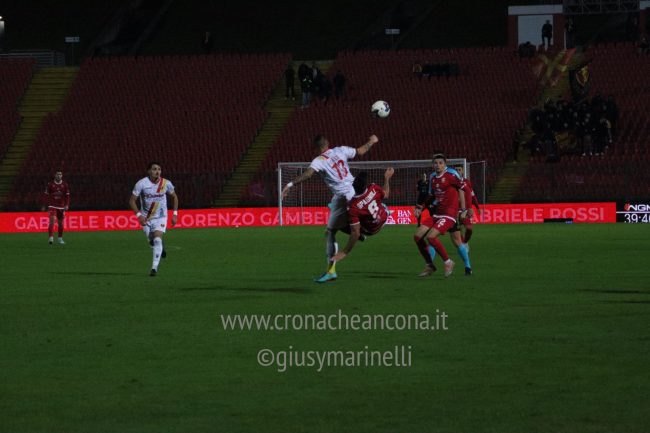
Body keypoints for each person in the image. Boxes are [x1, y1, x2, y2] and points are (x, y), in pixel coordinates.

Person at [281, 134, 379, 283]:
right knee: (339, 214)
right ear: (327, 143)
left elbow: (308, 174)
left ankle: (331, 271)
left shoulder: (319, 160)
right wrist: (371, 141)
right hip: (355, 191)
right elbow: (360, 151)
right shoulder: (340, 150)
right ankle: (357, 232)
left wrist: (289, 184)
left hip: (343, 197)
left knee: (330, 232)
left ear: (316, 148)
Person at [413, 154, 466, 278]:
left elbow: (464, 189)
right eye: (435, 163)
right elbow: (431, 196)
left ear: (445, 164)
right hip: (437, 213)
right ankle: (430, 265)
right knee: (417, 236)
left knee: (431, 237)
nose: (438, 165)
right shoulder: (432, 177)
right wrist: (421, 207)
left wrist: (464, 209)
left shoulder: (451, 175)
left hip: (449, 214)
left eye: (440, 163)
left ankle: (448, 262)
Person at [332, 168, 394, 262]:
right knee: (379, 202)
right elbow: (386, 194)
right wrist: (386, 178)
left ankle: (361, 236)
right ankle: (386, 212)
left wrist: (344, 252)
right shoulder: (374, 187)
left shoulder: (353, 207)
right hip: (383, 217)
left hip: (371, 230)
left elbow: (355, 232)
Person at [129, 162, 179, 276]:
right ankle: (161, 247)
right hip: (146, 218)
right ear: (149, 171)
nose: (157, 171)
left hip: (161, 217)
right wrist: (139, 216)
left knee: (157, 240)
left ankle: (154, 268)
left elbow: (174, 196)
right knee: (152, 242)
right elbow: (132, 201)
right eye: (154, 169)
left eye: (159, 169)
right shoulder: (141, 184)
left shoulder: (166, 183)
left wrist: (175, 214)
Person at [43, 170, 70, 244]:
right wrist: (45, 205)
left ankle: (60, 239)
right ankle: (51, 238)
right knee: (52, 221)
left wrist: (67, 205)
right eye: (57, 174)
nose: (59, 176)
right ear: (55, 175)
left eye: (60, 174)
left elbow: (67, 196)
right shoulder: (50, 184)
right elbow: (46, 195)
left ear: (62, 176)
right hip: (52, 205)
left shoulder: (65, 184)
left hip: (61, 206)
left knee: (60, 223)